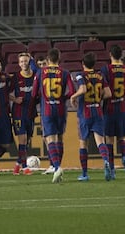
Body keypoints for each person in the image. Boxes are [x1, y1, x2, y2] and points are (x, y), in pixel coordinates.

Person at [32, 48, 76, 183]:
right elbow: (72, 91)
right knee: (60, 138)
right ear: (59, 59)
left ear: (48, 60)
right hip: (61, 109)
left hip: (47, 109)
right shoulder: (65, 73)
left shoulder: (40, 72)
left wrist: (41, 97)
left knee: (50, 138)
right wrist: (63, 97)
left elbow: (34, 93)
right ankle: (57, 166)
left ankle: (56, 167)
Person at [70, 52, 112, 181]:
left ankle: (84, 174)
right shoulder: (100, 75)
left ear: (83, 64)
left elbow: (82, 89)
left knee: (83, 143)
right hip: (98, 111)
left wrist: (73, 96)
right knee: (100, 141)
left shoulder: (80, 75)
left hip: (85, 112)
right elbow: (108, 94)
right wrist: (98, 98)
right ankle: (106, 161)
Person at [100, 45, 125, 179]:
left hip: (109, 108)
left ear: (110, 55)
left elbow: (105, 89)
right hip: (122, 107)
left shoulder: (106, 69)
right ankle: (124, 158)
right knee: (121, 137)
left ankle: (112, 169)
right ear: (121, 55)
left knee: (109, 139)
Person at [10, 52, 37, 175]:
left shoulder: (35, 76)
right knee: (23, 139)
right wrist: (15, 99)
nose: (23, 64)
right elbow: (7, 92)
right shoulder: (15, 77)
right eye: (21, 62)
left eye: (25, 61)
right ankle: (25, 167)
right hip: (18, 112)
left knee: (28, 140)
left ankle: (17, 165)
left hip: (31, 112)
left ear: (29, 62)